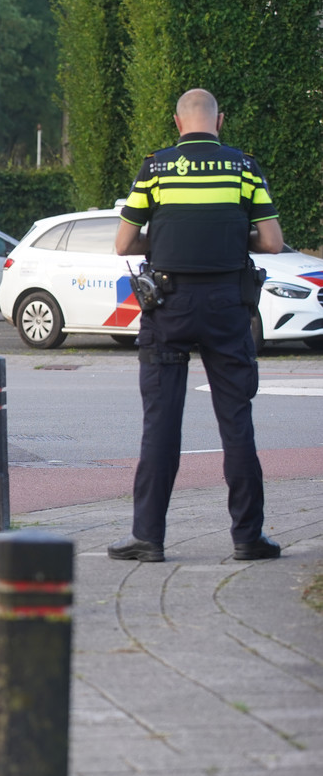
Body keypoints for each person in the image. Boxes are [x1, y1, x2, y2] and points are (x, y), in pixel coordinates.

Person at [107, 88, 284, 563]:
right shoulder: (244, 169)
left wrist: (167, 239)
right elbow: (271, 241)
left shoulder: (157, 167)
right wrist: (226, 238)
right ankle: (248, 538)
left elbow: (123, 244)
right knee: (236, 422)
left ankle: (148, 537)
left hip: (169, 305)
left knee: (160, 424)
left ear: (177, 122)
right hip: (229, 305)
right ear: (219, 121)